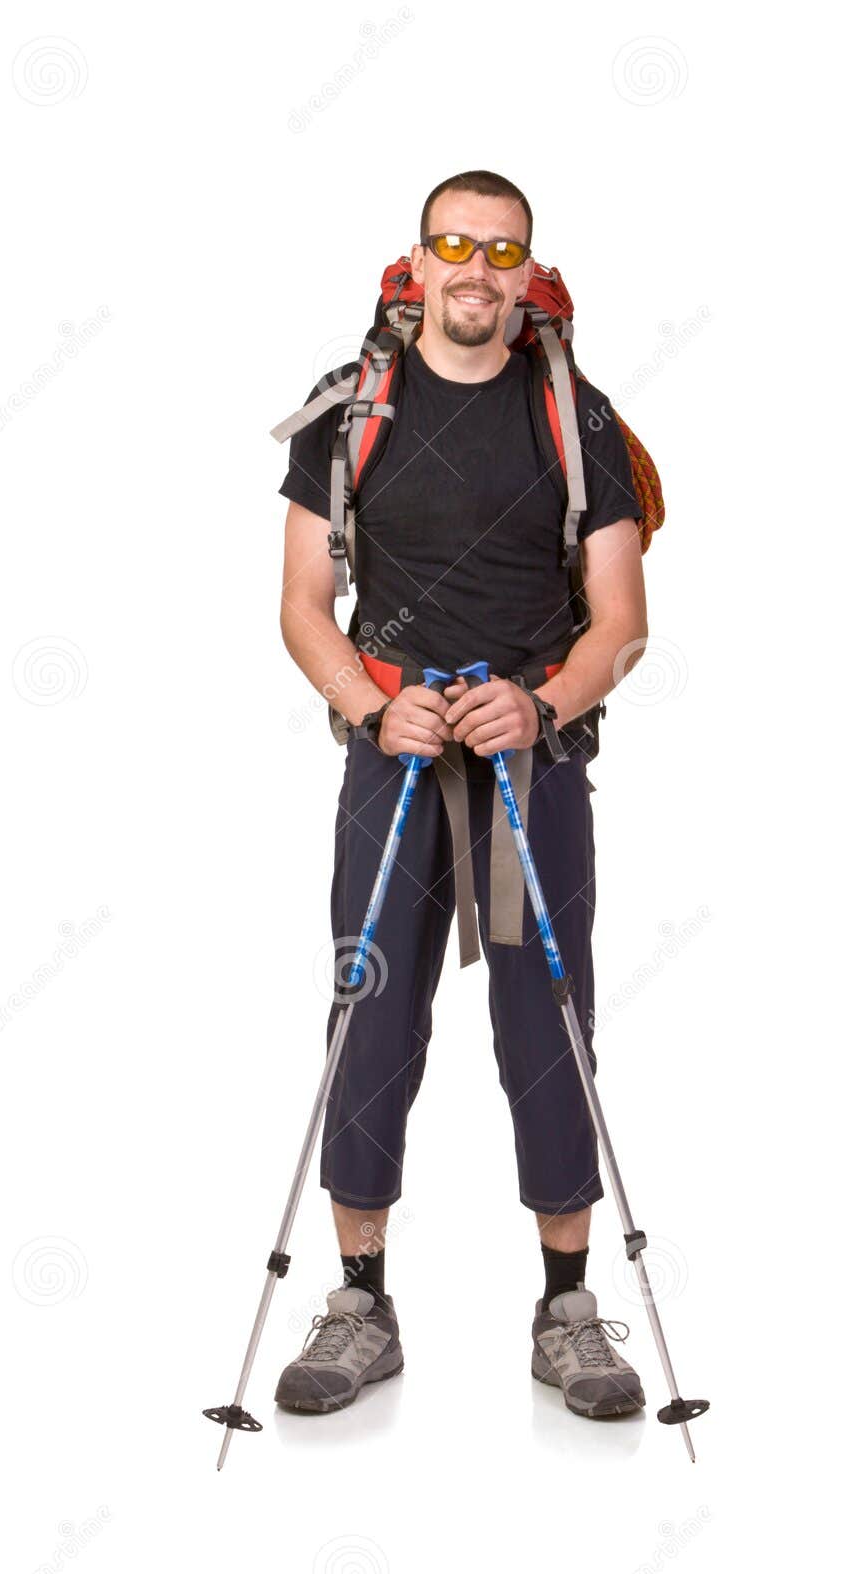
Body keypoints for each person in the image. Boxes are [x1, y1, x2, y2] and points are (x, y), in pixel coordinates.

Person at [275, 169, 650, 1420]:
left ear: (526, 272)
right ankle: (358, 1306)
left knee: (548, 1032)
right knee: (370, 1023)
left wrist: (540, 704)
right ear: (419, 260)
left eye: (501, 251)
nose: (475, 269)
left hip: (530, 761)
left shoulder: (571, 414)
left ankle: (567, 1312)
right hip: (391, 757)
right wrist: (375, 703)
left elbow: (621, 624)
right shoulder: (352, 412)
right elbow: (300, 608)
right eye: (454, 244)